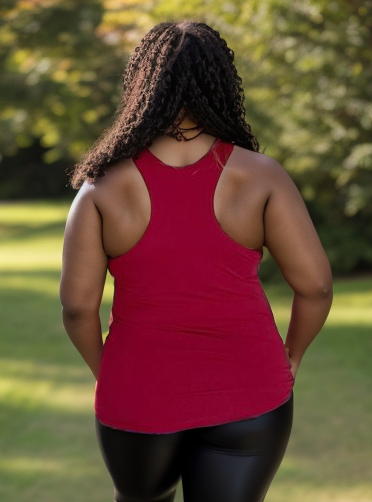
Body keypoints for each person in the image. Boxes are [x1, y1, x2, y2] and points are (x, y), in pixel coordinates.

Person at [59, 20, 333, 502]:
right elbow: (316, 287)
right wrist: (292, 356)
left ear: (143, 85)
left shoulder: (102, 186)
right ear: (221, 83)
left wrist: (110, 372)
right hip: (251, 393)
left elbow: (78, 308)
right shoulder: (261, 176)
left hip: (138, 395)